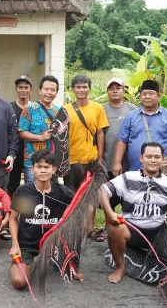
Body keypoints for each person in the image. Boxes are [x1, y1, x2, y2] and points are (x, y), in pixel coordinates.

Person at [100, 142, 167, 285]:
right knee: (114, 228)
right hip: (132, 231)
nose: (153, 160)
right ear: (141, 158)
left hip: (158, 234)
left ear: (163, 159)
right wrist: (110, 214)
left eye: (157, 157)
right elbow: (103, 190)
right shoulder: (128, 177)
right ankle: (120, 267)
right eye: (148, 156)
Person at [9, 150, 82, 289]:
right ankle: (25, 263)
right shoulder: (23, 192)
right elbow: (13, 219)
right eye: (39, 167)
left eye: (47, 167)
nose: (43, 170)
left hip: (54, 245)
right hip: (27, 245)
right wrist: (15, 244)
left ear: (53, 169)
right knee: (19, 282)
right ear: (32, 169)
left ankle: (63, 261)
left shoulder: (64, 192)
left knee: (71, 275)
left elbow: (80, 208)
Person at [63, 74, 109, 242]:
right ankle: (73, 228)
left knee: (90, 196)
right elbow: (62, 135)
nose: (81, 90)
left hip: (90, 159)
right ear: (72, 89)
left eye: (84, 87)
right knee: (72, 195)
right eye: (78, 87)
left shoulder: (98, 108)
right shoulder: (66, 109)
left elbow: (100, 132)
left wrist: (100, 157)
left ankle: (90, 229)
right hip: (71, 159)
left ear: (89, 89)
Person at [114, 79, 167, 182]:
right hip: (136, 171)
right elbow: (122, 140)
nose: (147, 97)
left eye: (151, 94)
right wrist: (117, 162)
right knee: (135, 197)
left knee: (164, 197)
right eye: (144, 94)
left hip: (164, 172)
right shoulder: (130, 117)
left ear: (159, 96)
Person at [18, 75, 60, 184]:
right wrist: (41, 137)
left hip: (51, 162)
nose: (49, 92)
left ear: (56, 92)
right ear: (40, 91)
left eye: (53, 90)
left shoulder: (58, 111)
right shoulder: (29, 108)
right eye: (46, 89)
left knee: (51, 194)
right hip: (32, 161)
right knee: (32, 194)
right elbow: (21, 133)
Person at [103, 78, 136, 180]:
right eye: (111, 89)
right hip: (107, 160)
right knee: (110, 193)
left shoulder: (132, 109)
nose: (115, 91)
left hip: (129, 161)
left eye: (118, 88)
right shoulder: (101, 109)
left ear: (123, 91)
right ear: (107, 92)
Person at [8, 76, 32, 197]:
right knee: (12, 185)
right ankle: (11, 211)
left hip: (32, 151)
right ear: (16, 89)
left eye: (26, 87)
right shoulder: (9, 107)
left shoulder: (35, 108)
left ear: (30, 89)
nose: (23, 90)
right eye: (20, 87)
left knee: (31, 184)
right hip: (14, 151)